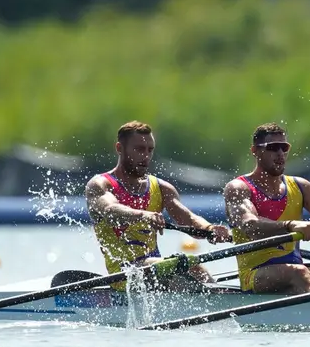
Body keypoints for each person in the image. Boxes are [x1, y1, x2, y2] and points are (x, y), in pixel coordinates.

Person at [85, 121, 231, 290]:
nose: (146, 156)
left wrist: (209, 228)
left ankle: (223, 307)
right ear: (119, 148)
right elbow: (110, 210)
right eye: (139, 149)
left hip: (156, 269)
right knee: (180, 267)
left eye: (150, 150)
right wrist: (143, 215)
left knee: (196, 269)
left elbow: (188, 218)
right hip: (124, 274)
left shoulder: (161, 188)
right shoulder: (100, 184)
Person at [223, 122, 310, 294]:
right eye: (273, 148)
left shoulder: (299, 186)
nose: (280, 154)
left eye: (284, 148)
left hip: (294, 271)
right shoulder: (238, 188)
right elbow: (250, 225)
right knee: (299, 272)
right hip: (255, 275)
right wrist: (290, 225)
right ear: (255, 151)